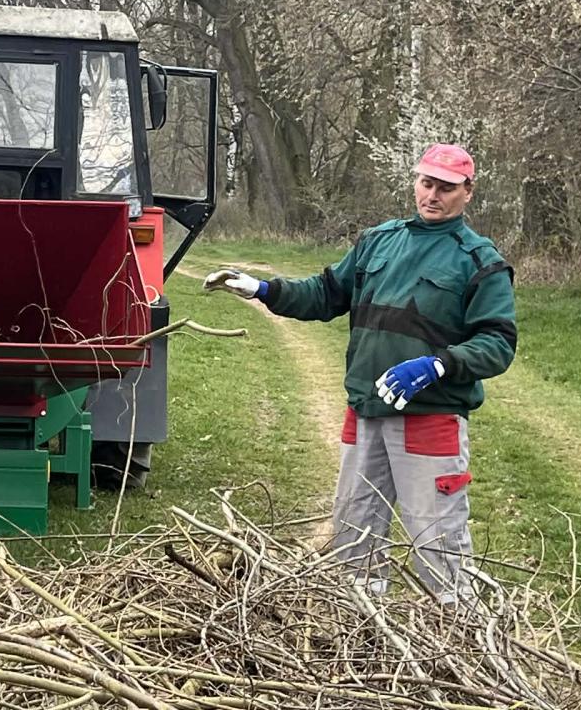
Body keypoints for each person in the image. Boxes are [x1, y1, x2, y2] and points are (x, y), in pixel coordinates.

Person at [203, 144, 516, 602]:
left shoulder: (479, 260)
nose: (432, 195)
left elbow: (498, 343)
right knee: (354, 537)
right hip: (366, 412)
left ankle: (457, 633)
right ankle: (362, 628)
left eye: (446, 188)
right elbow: (325, 294)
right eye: (426, 183)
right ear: (415, 182)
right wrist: (263, 289)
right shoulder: (379, 240)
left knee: (438, 544)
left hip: (429, 421)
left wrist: (438, 364)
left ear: (467, 192)